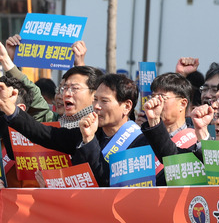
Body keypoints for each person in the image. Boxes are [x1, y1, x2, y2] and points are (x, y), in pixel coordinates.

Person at [0, 74, 150, 187]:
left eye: (104, 101)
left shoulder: (140, 141)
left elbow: (107, 182)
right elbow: (44, 134)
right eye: (95, 100)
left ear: (127, 106)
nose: (97, 106)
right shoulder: (87, 132)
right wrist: (11, 111)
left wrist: (89, 141)